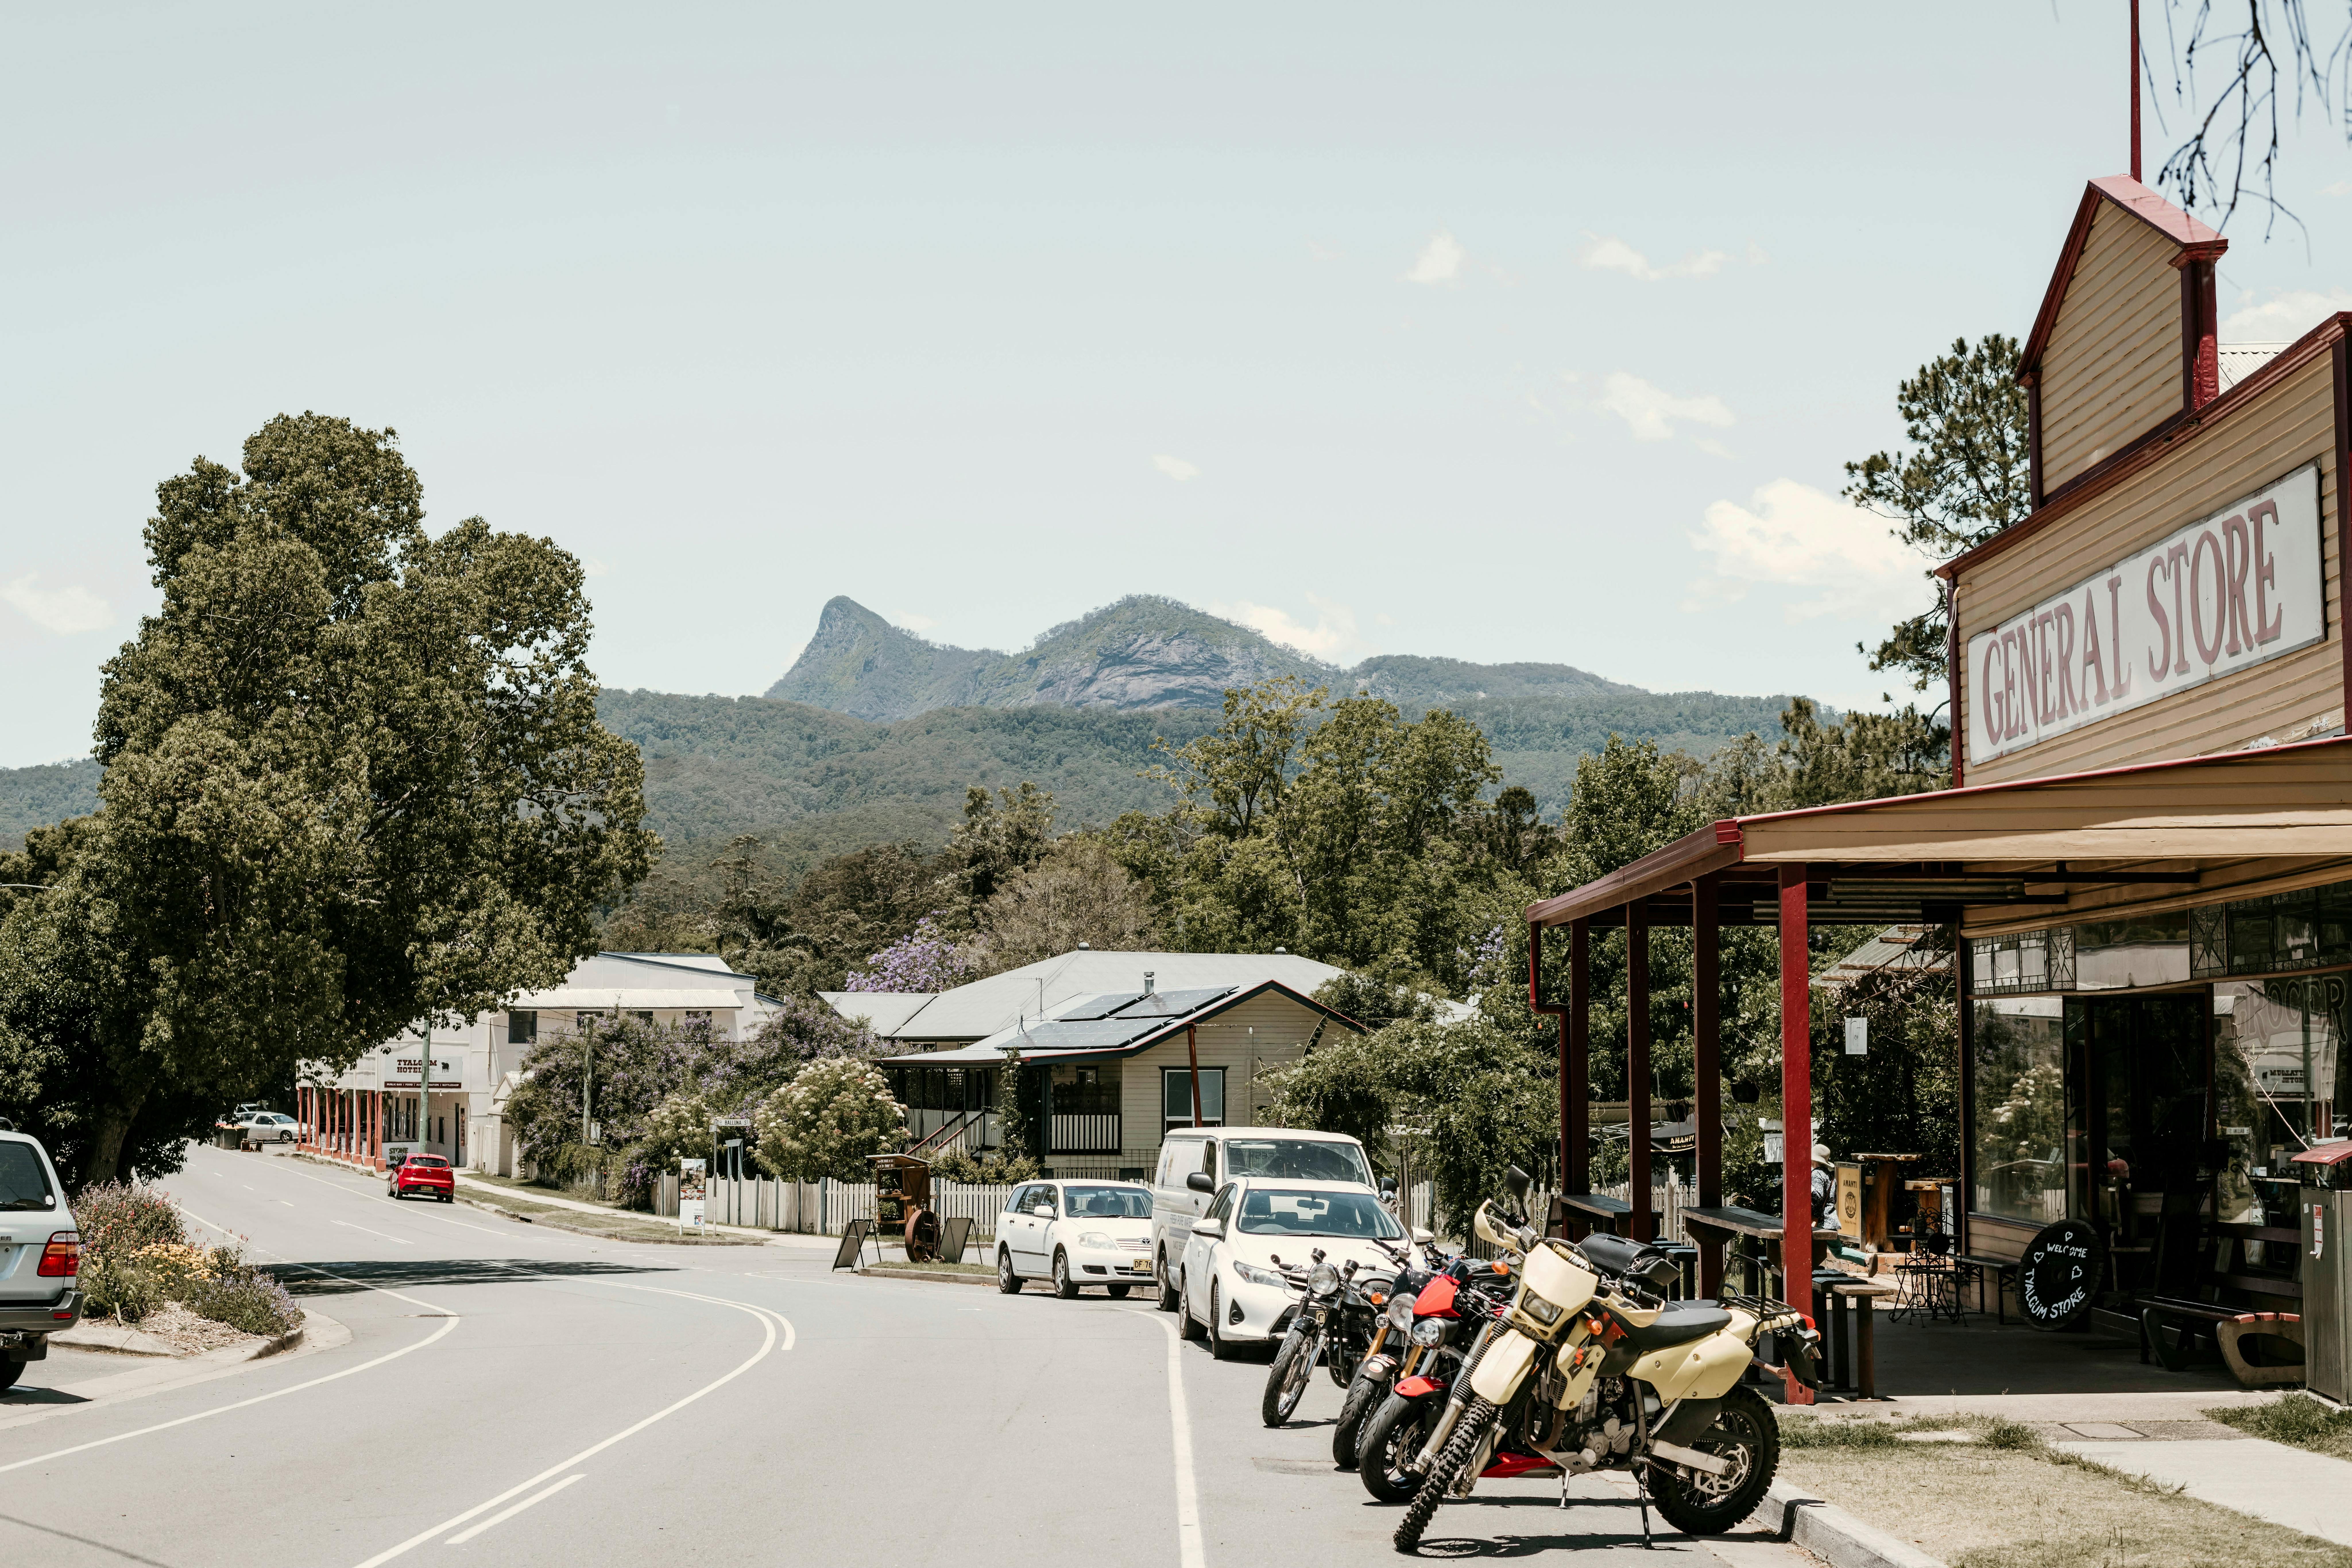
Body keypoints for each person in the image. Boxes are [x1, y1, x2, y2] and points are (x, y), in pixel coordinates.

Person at [1810, 1143, 1835, 1227]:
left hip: (1820, 1222)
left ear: (1814, 1160)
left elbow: (1818, 1196)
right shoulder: (1830, 1176)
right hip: (1831, 1219)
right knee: (1834, 1241)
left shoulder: (1816, 1174)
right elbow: (1835, 1198)